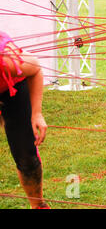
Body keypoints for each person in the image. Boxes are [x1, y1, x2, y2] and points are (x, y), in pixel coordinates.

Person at [0, 31, 49, 209]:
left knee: (25, 155)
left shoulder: (7, 60)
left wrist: (36, 114)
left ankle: (38, 206)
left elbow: (35, 69)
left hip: (12, 87)